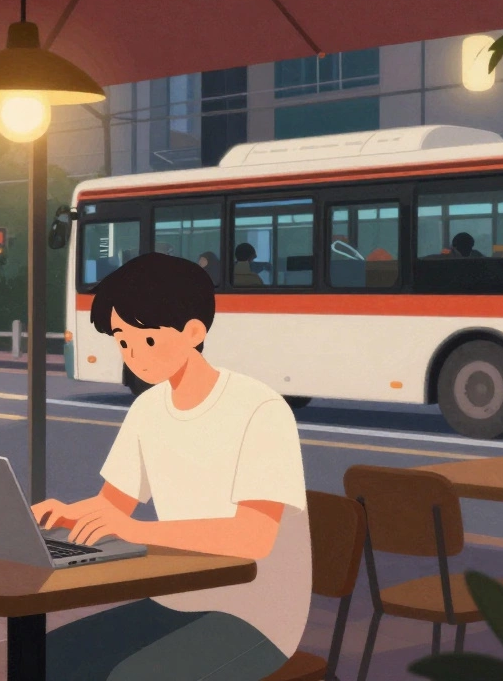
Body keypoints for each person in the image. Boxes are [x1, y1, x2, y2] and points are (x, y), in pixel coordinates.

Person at [32, 252, 310, 681]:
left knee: (134, 676)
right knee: (45, 659)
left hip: (257, 615)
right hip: (175, 597)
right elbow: (113, 506)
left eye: (146, 340)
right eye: (122, 342)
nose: (133, 356)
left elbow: (252, 537)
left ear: (194, 331)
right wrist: (66, 515)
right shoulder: (148, 408)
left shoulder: (259, 408)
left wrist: (136, 531)